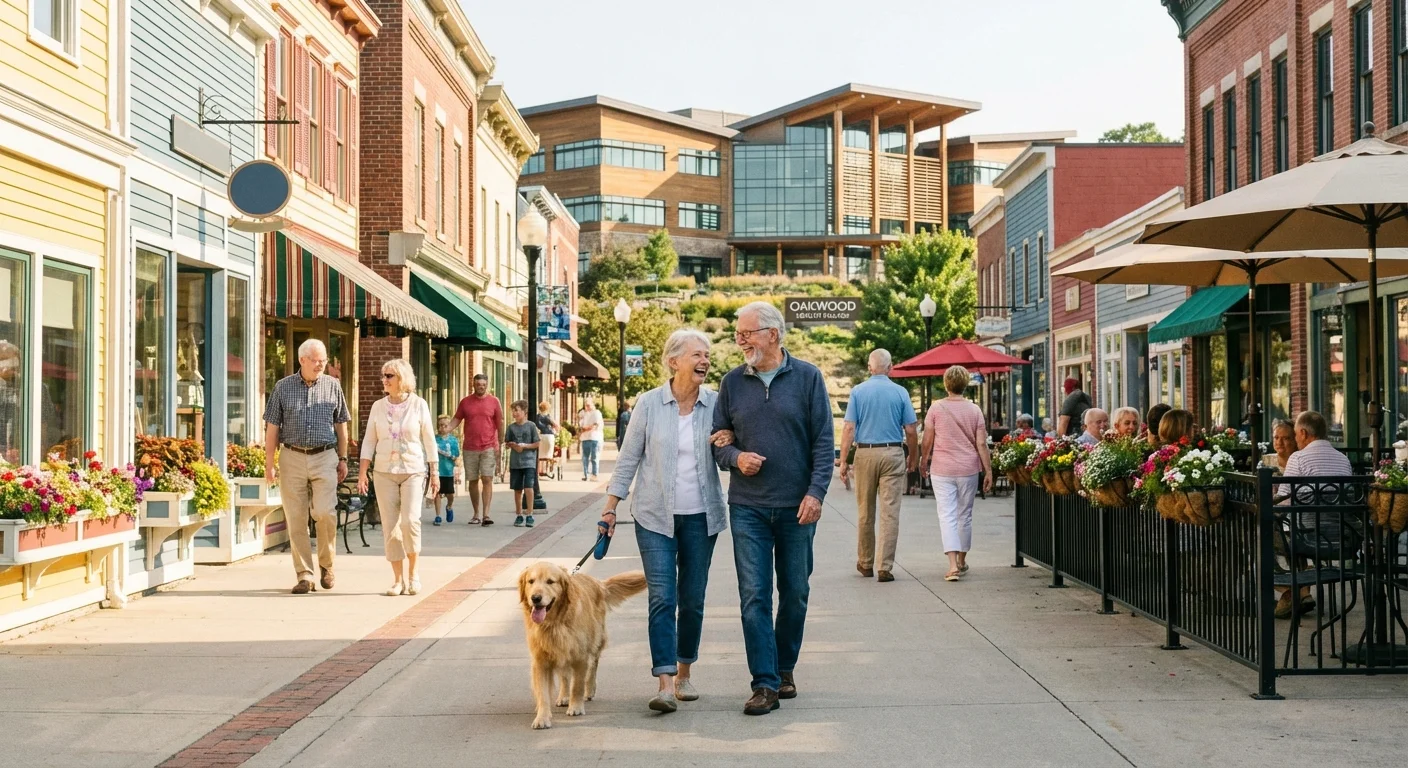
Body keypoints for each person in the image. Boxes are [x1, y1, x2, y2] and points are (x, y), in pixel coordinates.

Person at [712, 301, 833, 717]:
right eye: (738, 333)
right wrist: (735, 458)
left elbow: (822, 443)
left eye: (747, 332)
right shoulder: (731, 383)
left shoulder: (808, 379)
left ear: (773, 335)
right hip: (748, 507)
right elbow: (718, 441)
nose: (740, 340)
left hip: (797, 507)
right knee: (754, 596)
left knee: (795, 592)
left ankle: (785, 668)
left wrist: (816, 493)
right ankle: (763, 683)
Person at [604, 329, 730, 714]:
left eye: (707, 355)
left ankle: (684, 671)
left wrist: (730, 441)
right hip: (654, 516)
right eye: (697, 354)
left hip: (701, 517)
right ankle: (664, 684)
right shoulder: (648, 404)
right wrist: (609, 508)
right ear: (674, 361)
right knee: (663, 597)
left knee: (692, 600)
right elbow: (628, 459)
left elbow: (736, 446)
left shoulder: (717, 404)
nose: (705, 361)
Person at [263, 339, 350, 594]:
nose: (321, 364)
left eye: (323, 359)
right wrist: (269, 463)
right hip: (291, 456)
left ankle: (327, 565)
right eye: (316, 360)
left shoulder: (333, 386)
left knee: (325, 513)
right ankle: (304, 574)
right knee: (296, 518)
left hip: (325, 456)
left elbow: (342, 427)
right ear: (302, 360)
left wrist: (343, 458)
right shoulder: (283, 387)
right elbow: (272, 429)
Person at [357, 359, 437, 597]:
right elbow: (369, 440)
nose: (385, 380)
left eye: (389, 376)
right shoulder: (377, 407)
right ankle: (397, 579)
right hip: (383, 472)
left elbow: (429, 439)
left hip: (413, 470)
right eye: (384, 375)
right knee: (391, 527)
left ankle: (414, 574)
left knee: (410, 521)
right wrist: (363, 472)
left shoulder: (419, 405)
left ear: (402, 378)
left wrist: (434, 472)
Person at [837, 349, 918, 583]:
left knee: (865, 512)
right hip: (893, 452)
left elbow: (849, 428)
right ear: (890, 367)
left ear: (870, 367)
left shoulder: (858, 392)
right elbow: (911, 430)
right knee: (890, 512)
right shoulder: (901, 392)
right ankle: (885, 566)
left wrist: (844, 460)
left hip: (865, 453)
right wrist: (912, 457)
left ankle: (865, 562)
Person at [1276, 410, 1351, 617]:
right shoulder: (1343, 459)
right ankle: (1300, 590)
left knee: (1262, 532)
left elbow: (1282, 502)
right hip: (1341, 539)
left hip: (1307, 539)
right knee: (1292, 529)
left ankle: (1294, 590)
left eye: (1295, 434)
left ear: (1303, 433)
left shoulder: (1298, 459)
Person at [921, 365, 993, 583]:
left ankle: (952, 565)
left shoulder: (936, 408)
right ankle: (962, 560)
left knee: (947, 515)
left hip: (942, 469)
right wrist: (988, 470)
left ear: (946, 384)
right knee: (965, 514)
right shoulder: (975, 410)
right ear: (965, 385)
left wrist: (923, 461)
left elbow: (927, 439)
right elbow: (981, 443)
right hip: (968, 469)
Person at [448, 373, 503, 526]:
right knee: (472, 480)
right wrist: (448, 428)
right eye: (478, 384)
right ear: (474, 385)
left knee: (487, 478)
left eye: (483, 385)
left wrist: (501, 442)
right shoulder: (465, 402)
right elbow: (457, 419)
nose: (481, 387)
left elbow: (500, 421)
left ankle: (486, 514)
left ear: (487, 385)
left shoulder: (494, 401)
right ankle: (476, 514)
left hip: (489, 446)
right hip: (470, 447)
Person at [505, 401, 541, 528]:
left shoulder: (531, 426)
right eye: (513, 411)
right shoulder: (511, 428)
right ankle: (519, 514)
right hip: (515, 462)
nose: (514, 413)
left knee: (528, 488)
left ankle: (529, 514)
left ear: (524, 412)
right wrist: (512, 445)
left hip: (529, 461)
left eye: (517, 410)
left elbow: (537, 443)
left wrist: (525, 446)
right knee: (517, 489)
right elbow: (507, 443)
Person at [433, 415, 460, 525]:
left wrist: (452, 456)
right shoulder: (434, 439)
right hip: (437, 470)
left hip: (448, 471)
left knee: (450, 494)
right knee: (437, 493)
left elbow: (456, 454)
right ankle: (438, 515)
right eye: (440, 426)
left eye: (445, 426)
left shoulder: (453, 440)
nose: (443, 428)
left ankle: (449, 506)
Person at [577, 395, 604, 481]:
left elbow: (595, 425)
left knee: (594, 457)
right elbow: (580, 424)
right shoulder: (583, 413)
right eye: (586, 405)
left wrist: (585, 428)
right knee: (585, 457)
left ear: (593, 405)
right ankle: (586, 474)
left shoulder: (597, 413)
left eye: (589, 405)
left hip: (594, 438)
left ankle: (594, 474)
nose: (587, 407)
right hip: (585, 438)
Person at [534, 402, 560, 477]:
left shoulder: (537, 417)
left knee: (539, 455)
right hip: (549, 436)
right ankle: (548, 470)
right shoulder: (547, 417)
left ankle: (539, 471)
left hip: (540, 436)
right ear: (548, 408)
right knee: (549, 455)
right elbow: (556, 425)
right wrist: (555, 429)